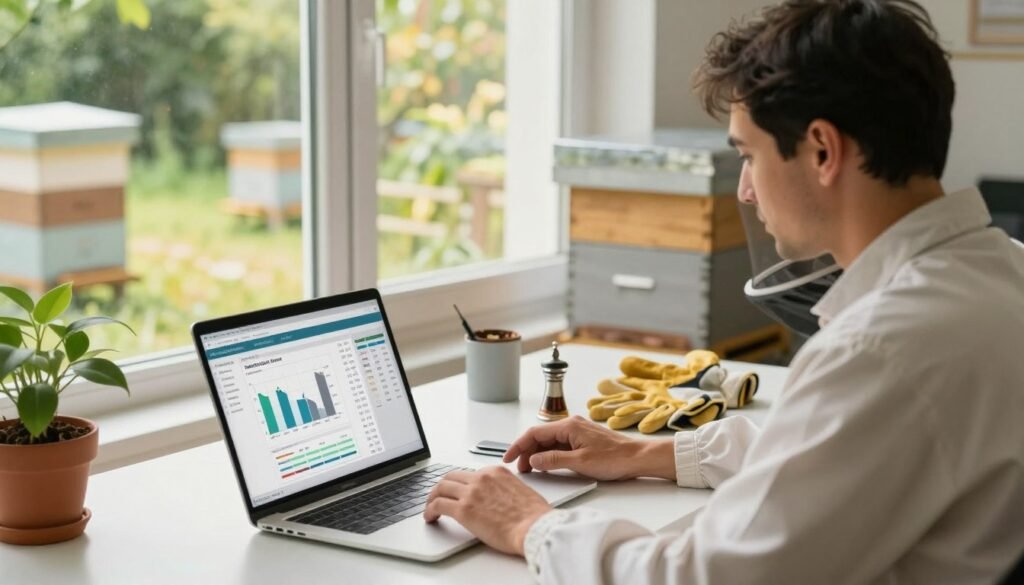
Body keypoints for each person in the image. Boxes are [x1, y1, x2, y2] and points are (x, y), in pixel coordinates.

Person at [423, 1, 1024, 582]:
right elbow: (845, 449)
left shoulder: (883, 351)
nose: (744, 191)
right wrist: (644, 454)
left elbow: (705, 576)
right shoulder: (1000, 275)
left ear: (821, 150)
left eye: (748, 155)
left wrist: (530, 525)